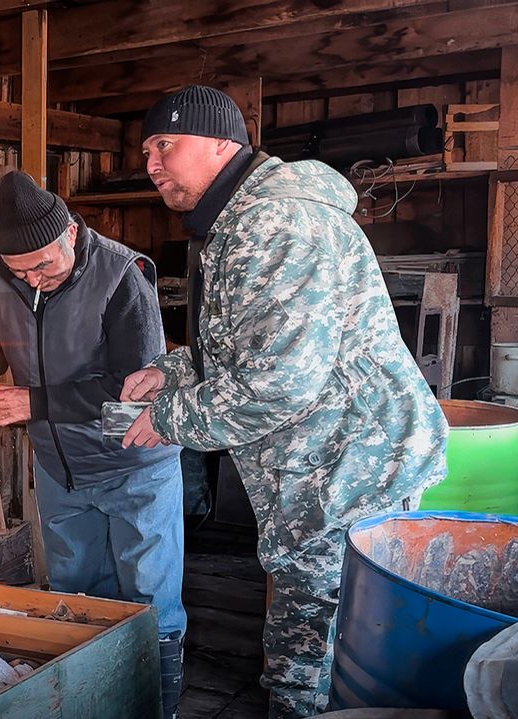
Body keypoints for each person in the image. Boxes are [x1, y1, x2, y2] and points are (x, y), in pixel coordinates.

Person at [120, 85, 448, 719]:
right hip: (322, 462)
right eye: (147, 149)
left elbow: (279, 383)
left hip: (352, 466)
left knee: (314, 648)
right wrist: (175, 370)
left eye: (166, 144)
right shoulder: (240, 219)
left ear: (222, 143)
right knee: (321, 634)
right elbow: (259, 345)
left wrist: (168, 418)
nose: (152, 163)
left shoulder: (279, 222)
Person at [0, 171, 187, 717]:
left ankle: (157, 704)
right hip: (60, 465)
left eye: (43, 266)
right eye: (18, 270)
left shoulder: (124, 276)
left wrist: (37, 403)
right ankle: (93, 702)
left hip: (132, 461)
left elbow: (133, 389)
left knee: (147, 597)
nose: (31, 280)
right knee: (76, 594)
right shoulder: (5, 270)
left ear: (71, 235)